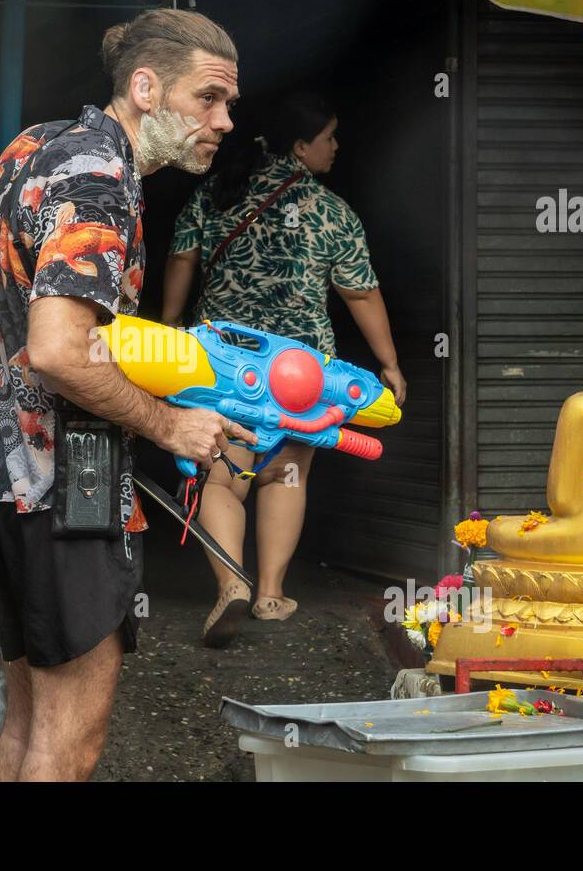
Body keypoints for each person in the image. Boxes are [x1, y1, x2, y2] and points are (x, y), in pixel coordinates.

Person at [0, 8, 257, 782]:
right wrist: (170, 427)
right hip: (70, 490)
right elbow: (59, 349)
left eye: (228, 104)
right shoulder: (100, 174)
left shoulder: (37, 146)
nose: (225, 121)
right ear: (146, 86)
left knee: (23, 731)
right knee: (69, 744)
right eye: (210, 99)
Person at [161, 92, 407, 648]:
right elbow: (361, 295)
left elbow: (181, 258)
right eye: (330, 137)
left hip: (220, 363)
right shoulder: (331, 210)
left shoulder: (216, 192)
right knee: (285, 474)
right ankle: (272, 593)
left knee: (222, 475)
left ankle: (232, 583)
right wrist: (389, 364)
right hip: (300, 375)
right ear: (301, 146)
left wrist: (171, 323)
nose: (337, 147)